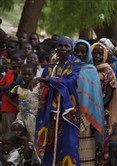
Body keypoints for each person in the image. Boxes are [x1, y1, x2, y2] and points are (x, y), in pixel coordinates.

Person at [29, 36, 81, 165]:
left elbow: (70, 81)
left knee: (67, 142)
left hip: (67, 109)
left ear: (71, 49)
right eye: (60, 46)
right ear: (56, 48)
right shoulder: (52, 65)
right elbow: (43, 84)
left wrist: (47, 81)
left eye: (66, 46)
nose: (63, 48)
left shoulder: (75, 63)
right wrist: (46, 83)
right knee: (49, 141)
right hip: (50, 109)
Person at [74, 39, 105, 166]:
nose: (80, 54)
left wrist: (94, 122)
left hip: (87, 118)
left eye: (83, 51)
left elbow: (96, 97)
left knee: (86, 155)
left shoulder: (91, 70)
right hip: (69, 115)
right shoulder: (66, 69)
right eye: (77, 51)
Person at [91, 42, 117, 165]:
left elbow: (110, 93)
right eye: (94, 53)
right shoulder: (86, 69)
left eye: (100, 54)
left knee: (101, 142)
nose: (97, 56)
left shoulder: (107, 71)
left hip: (102, 110)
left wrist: (98, 107)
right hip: (86, 110)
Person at [8, 64, 39, 143]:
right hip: (21, 116)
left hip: (33, 117)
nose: (26, 76)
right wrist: (16, 106)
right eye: (24, 74)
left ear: (34, 74)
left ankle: (34, 154)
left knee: (33, 138)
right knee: (19, 136)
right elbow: (9, 97)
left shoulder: (38, 87)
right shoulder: (19, 88)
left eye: (29, 74)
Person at [0, 50, 24, 135]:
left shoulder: (26, 73)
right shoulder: (9, 73)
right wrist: (7, 87)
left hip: (21, 109)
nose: (14, 63)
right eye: (12, 60)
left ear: (23, 61)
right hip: (8, 108)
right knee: (8, 133)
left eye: (17, 60)